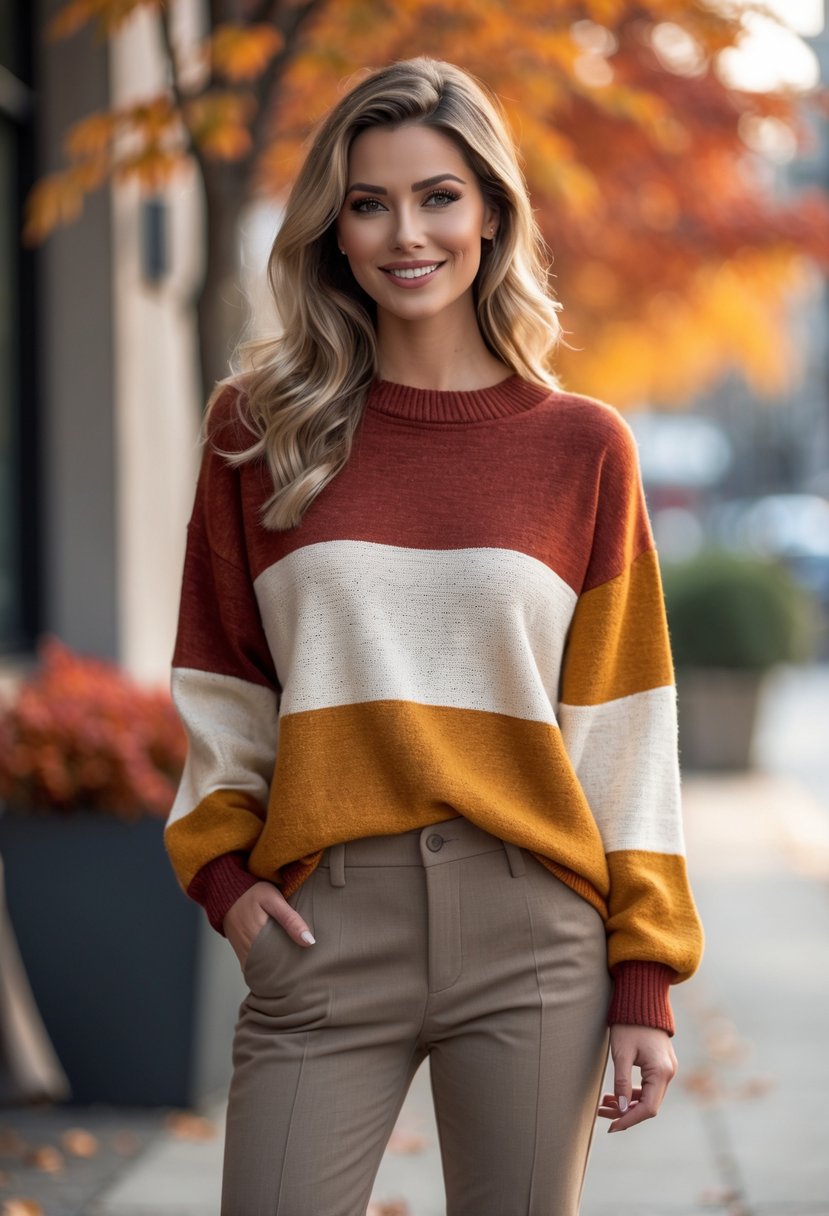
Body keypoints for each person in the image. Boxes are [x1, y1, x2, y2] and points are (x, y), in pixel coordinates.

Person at [164, 56, 704, 1216]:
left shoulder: (583, 448)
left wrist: (642, 977)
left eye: (438, 195)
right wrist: (225, 882)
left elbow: (624, 731)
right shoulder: (259, 429)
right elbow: (222, 684)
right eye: (368, 202)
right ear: (335, 231)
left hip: (533, 933)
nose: (405, 232)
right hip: (323, 923)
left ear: (493, 213)